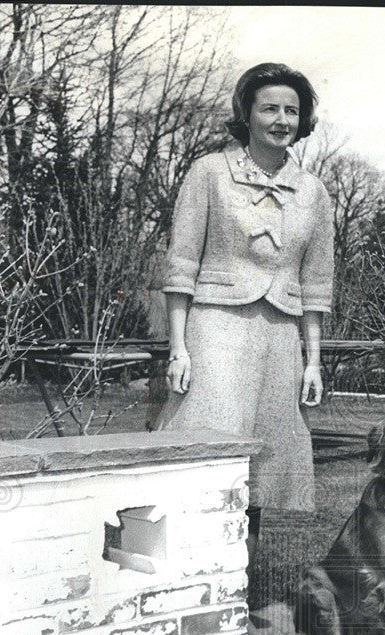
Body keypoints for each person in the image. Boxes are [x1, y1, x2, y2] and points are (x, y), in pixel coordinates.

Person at [157, 62, 333, 576]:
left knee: (262, 470)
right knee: (210, 454)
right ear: (247, 114)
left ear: (303, 121)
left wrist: (313, 361)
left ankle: (236, 592)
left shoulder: (314, 191)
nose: (282, 119)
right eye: (270, 108)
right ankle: (187, 582)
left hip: (281, 339)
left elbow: (316, 284)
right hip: (214, 331)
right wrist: (179, 346)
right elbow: (182, 264)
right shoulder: (209, 172)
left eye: (292, 111)